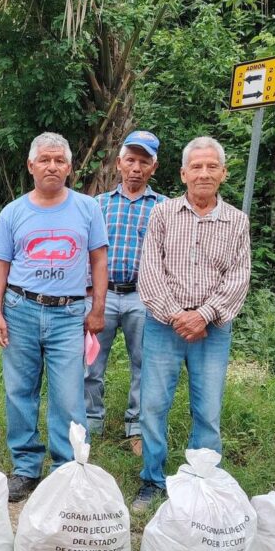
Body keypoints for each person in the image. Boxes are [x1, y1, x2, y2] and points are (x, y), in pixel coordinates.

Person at [0, 132, 109, 502]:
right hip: (21, 309)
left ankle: (66, 470)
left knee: (69, 396)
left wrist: (98, 309)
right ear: (31, 166)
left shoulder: (88, 209)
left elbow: (99, 260)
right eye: (45, 160)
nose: (52, 166)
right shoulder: (14, 212)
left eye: (59, 160)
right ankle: (25, 468)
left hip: (69, 314)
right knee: (19, 391)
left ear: (69, 167)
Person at [133, 136, 251, 510]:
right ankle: (152, 479)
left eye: (211, 166)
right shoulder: (163, 214)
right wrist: (175, 315)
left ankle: (202, 481)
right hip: (163, 326)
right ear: (183, 174)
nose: (203, 173)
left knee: (208, 409)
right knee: (152, 405)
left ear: (223, 173)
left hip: (212, 330)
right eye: (196, 167)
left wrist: (203, 315)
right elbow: (150, 271)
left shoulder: (236, 221)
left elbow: (238, 277)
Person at [86, 130, 166, 454]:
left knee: (144, 364)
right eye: (130, 160)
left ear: (153, 167)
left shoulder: (165, 208)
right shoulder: (97, 205)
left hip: (143, 297)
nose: (136, 167)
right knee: (91, 362)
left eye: (143, 161)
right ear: (118, 163)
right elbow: (84, 252)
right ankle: (91, 423)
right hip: (101, 297)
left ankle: (136, 428)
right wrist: (91, 295)